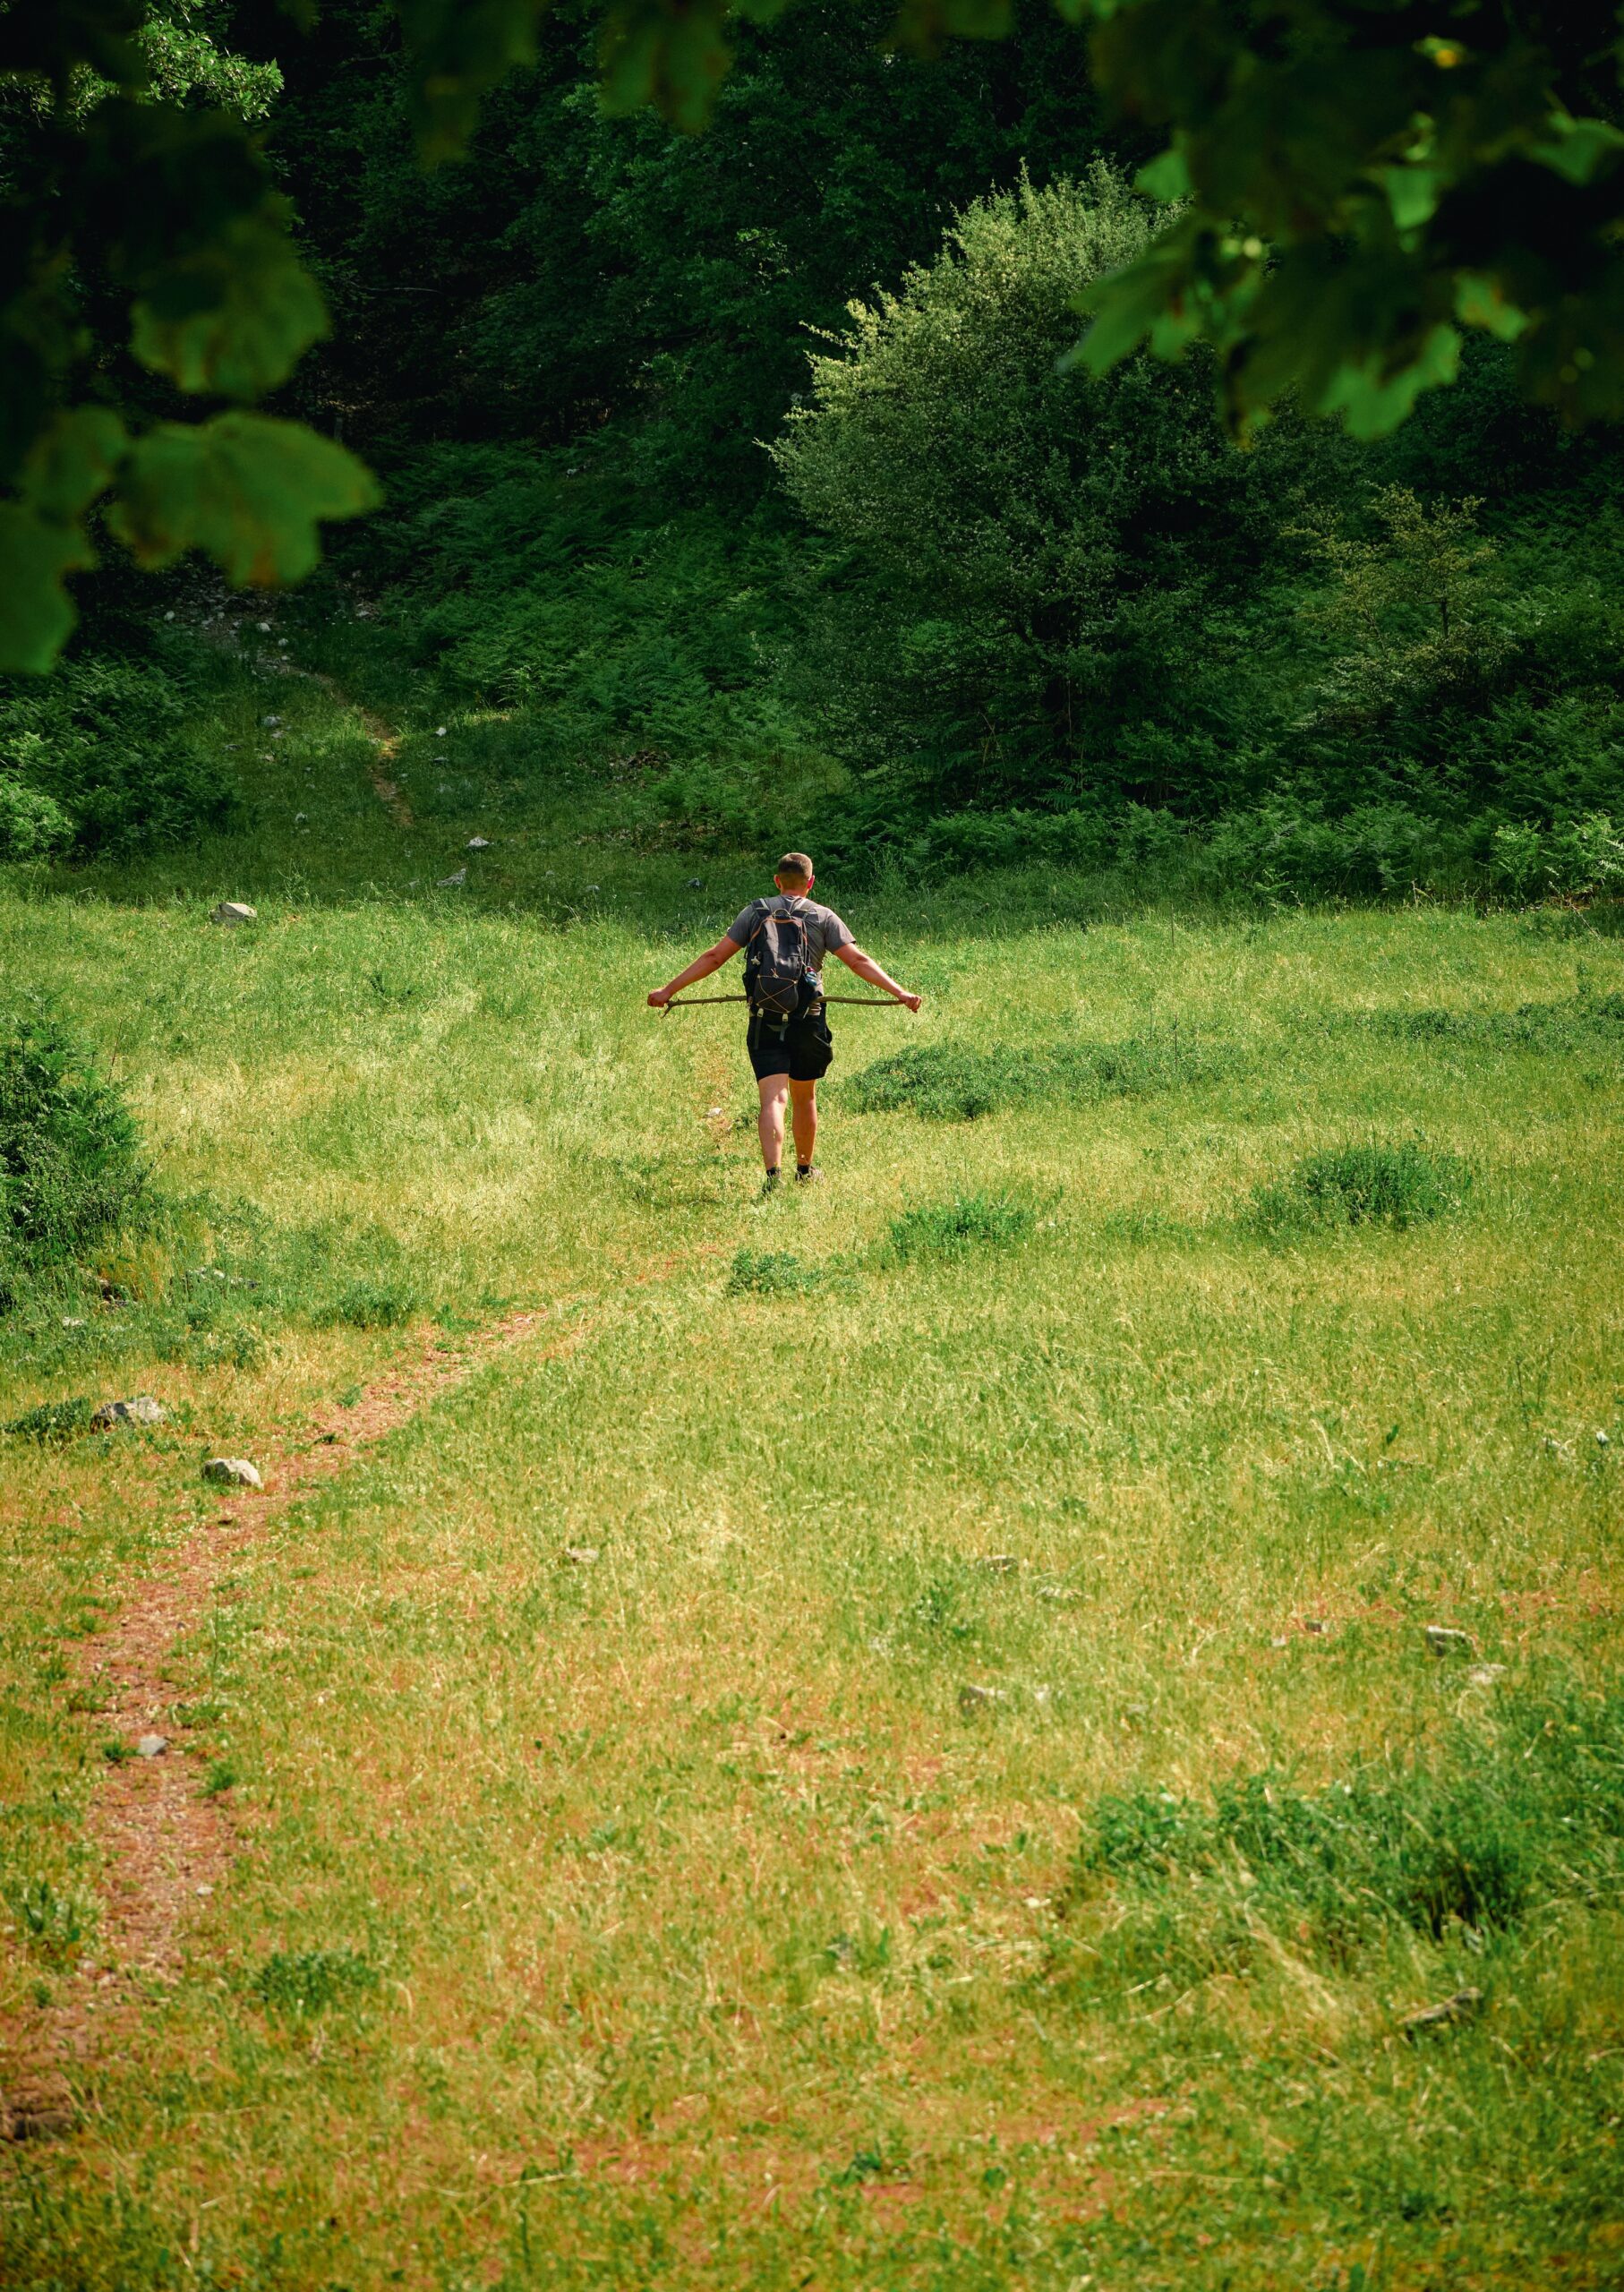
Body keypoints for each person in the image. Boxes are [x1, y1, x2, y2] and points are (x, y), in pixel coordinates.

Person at [648, 851, 921, 1188]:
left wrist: (667, 990)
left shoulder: (756, 912)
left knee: (773, 1098)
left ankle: (772, 1177)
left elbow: (715, 957)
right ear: (810, 882)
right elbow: (857, 960)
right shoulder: (822, 916)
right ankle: (805, 1171)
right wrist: (900, 992)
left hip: (765, 1017)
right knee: (804, 1096)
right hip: (809, 1018)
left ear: (778, 881)